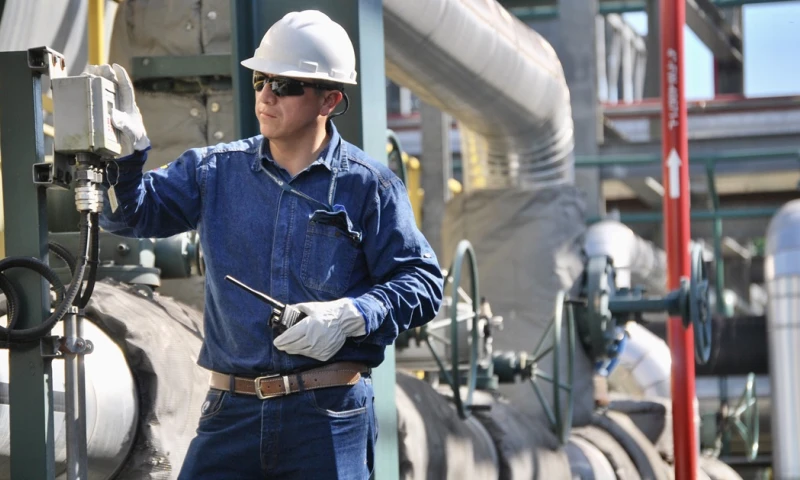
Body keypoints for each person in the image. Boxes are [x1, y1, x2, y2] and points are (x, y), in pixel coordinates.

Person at [90, 9, 444, 479]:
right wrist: (124, 158)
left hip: (328, 418)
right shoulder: (212, 172)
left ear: (330, 99)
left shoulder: (369, 186)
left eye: (286, 85)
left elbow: (422, 282)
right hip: (230, 413)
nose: (266, 96)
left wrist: (351, 315)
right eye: (260, 80)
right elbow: (128, 214)